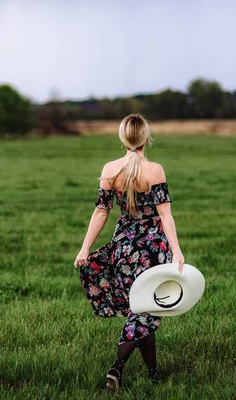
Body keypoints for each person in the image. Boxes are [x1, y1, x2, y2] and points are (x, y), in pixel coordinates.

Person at [74, 113, 184, 391]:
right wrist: (177, 250)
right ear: (146, 137)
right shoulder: (155, 170)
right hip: (152, 248)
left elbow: (101, 211)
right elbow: (165, 215)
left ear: (122, 138)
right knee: (146, 310)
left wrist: (85, 247)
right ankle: (117, 367)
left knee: (141, 311)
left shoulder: (110, 169)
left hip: (123, 246)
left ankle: (154, 374)